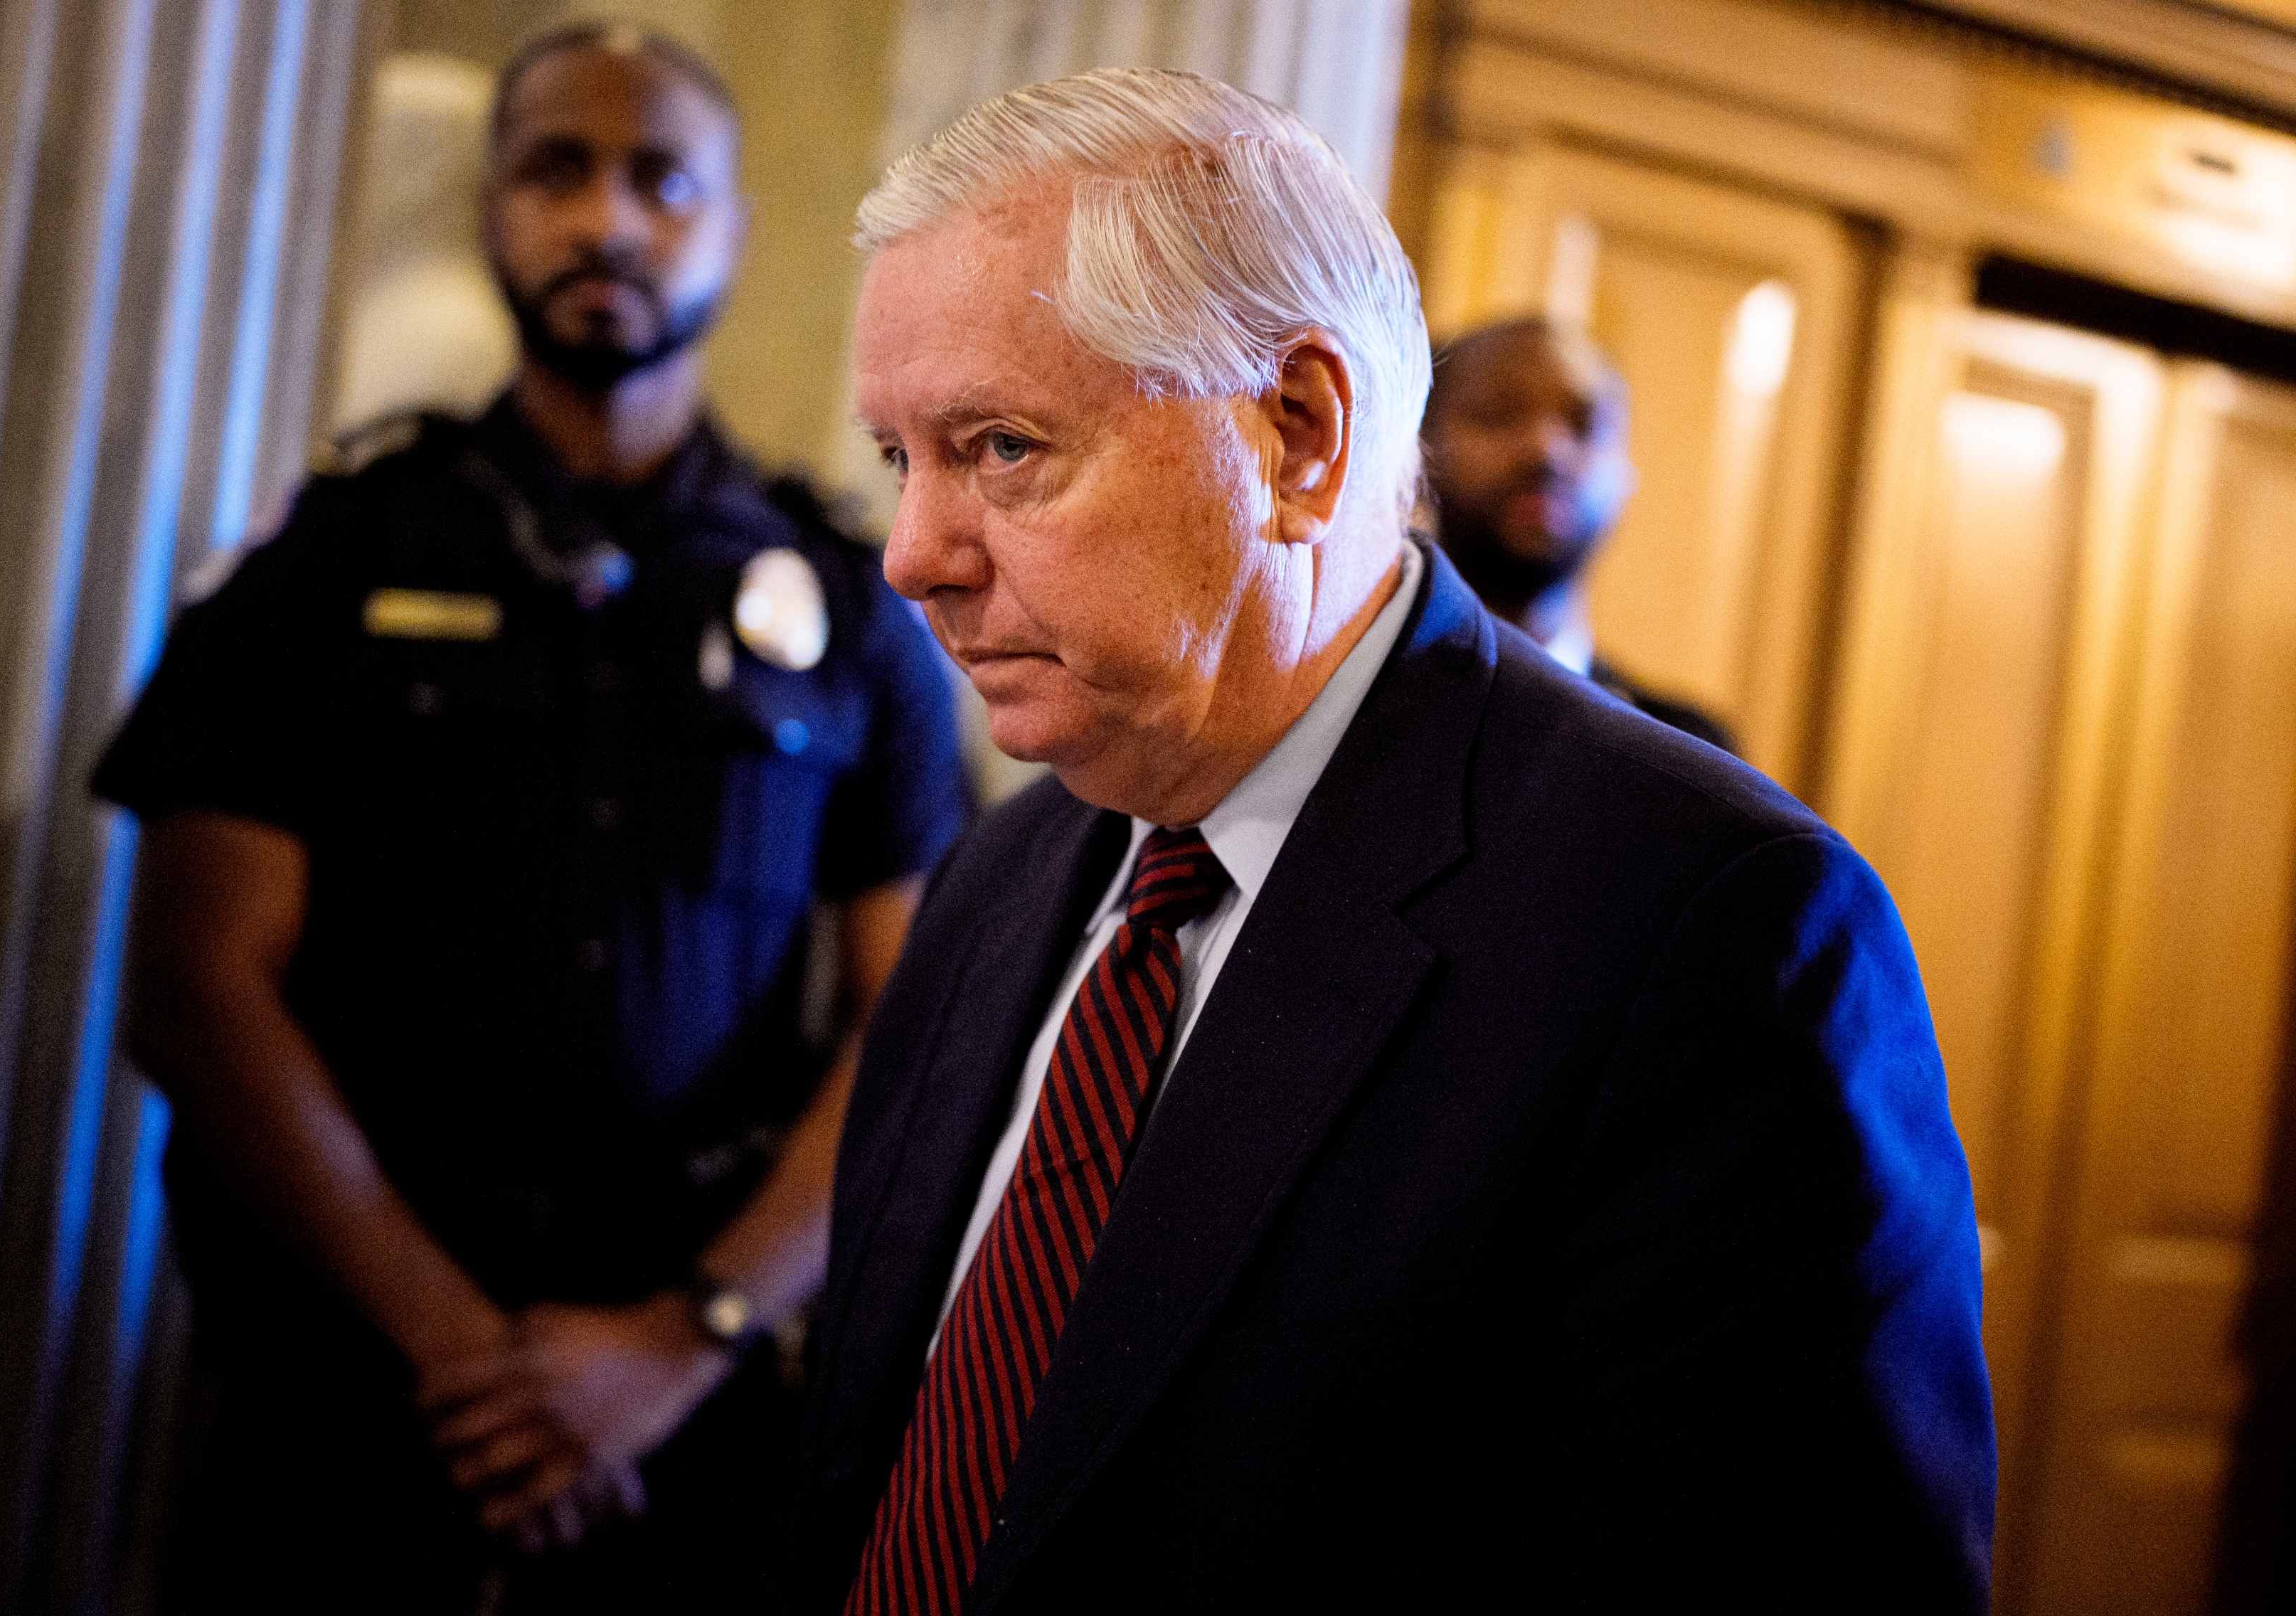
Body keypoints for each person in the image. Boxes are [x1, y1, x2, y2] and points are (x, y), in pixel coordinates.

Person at [788, 68, 1994, 1615]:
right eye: (901, 458)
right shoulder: (1002, 874)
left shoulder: (1713, 932)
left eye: (1003, 449)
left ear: (1297, 431)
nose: (911, 559)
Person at [96, 23, 965, 1615]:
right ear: (493, 204)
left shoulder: (852, 604)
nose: (607, 219)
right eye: (555, 169)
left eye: (660, 179)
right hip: (346, 1378)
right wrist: (456, 1343)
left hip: (690, 1401)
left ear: (732, 228)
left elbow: (918, 1026)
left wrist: (672, 1341)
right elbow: (197, 987)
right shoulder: (324, 560)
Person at [1423, 314, 1738, 752]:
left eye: (1585, 423)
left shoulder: (1687, 753)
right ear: (1419, 453)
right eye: (1498, 415)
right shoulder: (1347, 711)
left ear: (1625, 478)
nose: (1546, 449)